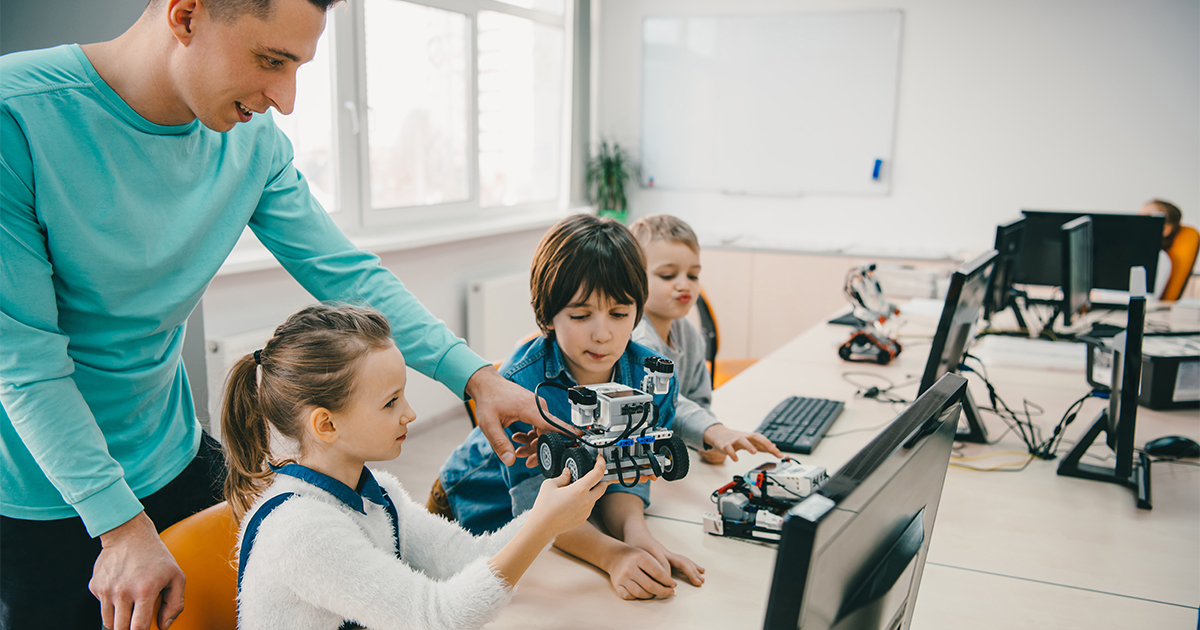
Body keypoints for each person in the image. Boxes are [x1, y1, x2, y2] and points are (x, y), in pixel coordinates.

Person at [0, 1, 550, 628]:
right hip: (42, 491)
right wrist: (120, 525)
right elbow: (28, 367)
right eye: (270, 61)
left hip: (171, 452)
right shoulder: (16, 117)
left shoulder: (251, 141)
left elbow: (346, 273)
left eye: (297, 67)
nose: (285, 99)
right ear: (185, 17)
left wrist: (474, 378)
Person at [224, 304, 610, 628]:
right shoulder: (302, 531)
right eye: (391, 402)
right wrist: (543, 523)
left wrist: (552, 513)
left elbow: (467, 558)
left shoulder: (378, 495)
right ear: (327, 425)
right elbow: (435, 617)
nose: (410, 413)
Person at [431, 214, 707, 600]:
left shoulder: (650, 376)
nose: (603, 333)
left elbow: (625, 469)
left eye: (619, 313)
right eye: (580, 315)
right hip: (476, 505)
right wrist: (612, 556)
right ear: (548, 315)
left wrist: (634, 533)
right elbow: (537, 514)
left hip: (572, 511)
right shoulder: (523, 386)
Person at [628, 215, 783, 465]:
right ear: (632, 278)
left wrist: (708, 441)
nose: (684, 285)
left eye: (693, 275)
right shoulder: (639, 340)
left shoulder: (688, 334)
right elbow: (663, 403)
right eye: (668, 275)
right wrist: (712, 431)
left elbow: (699, 399)